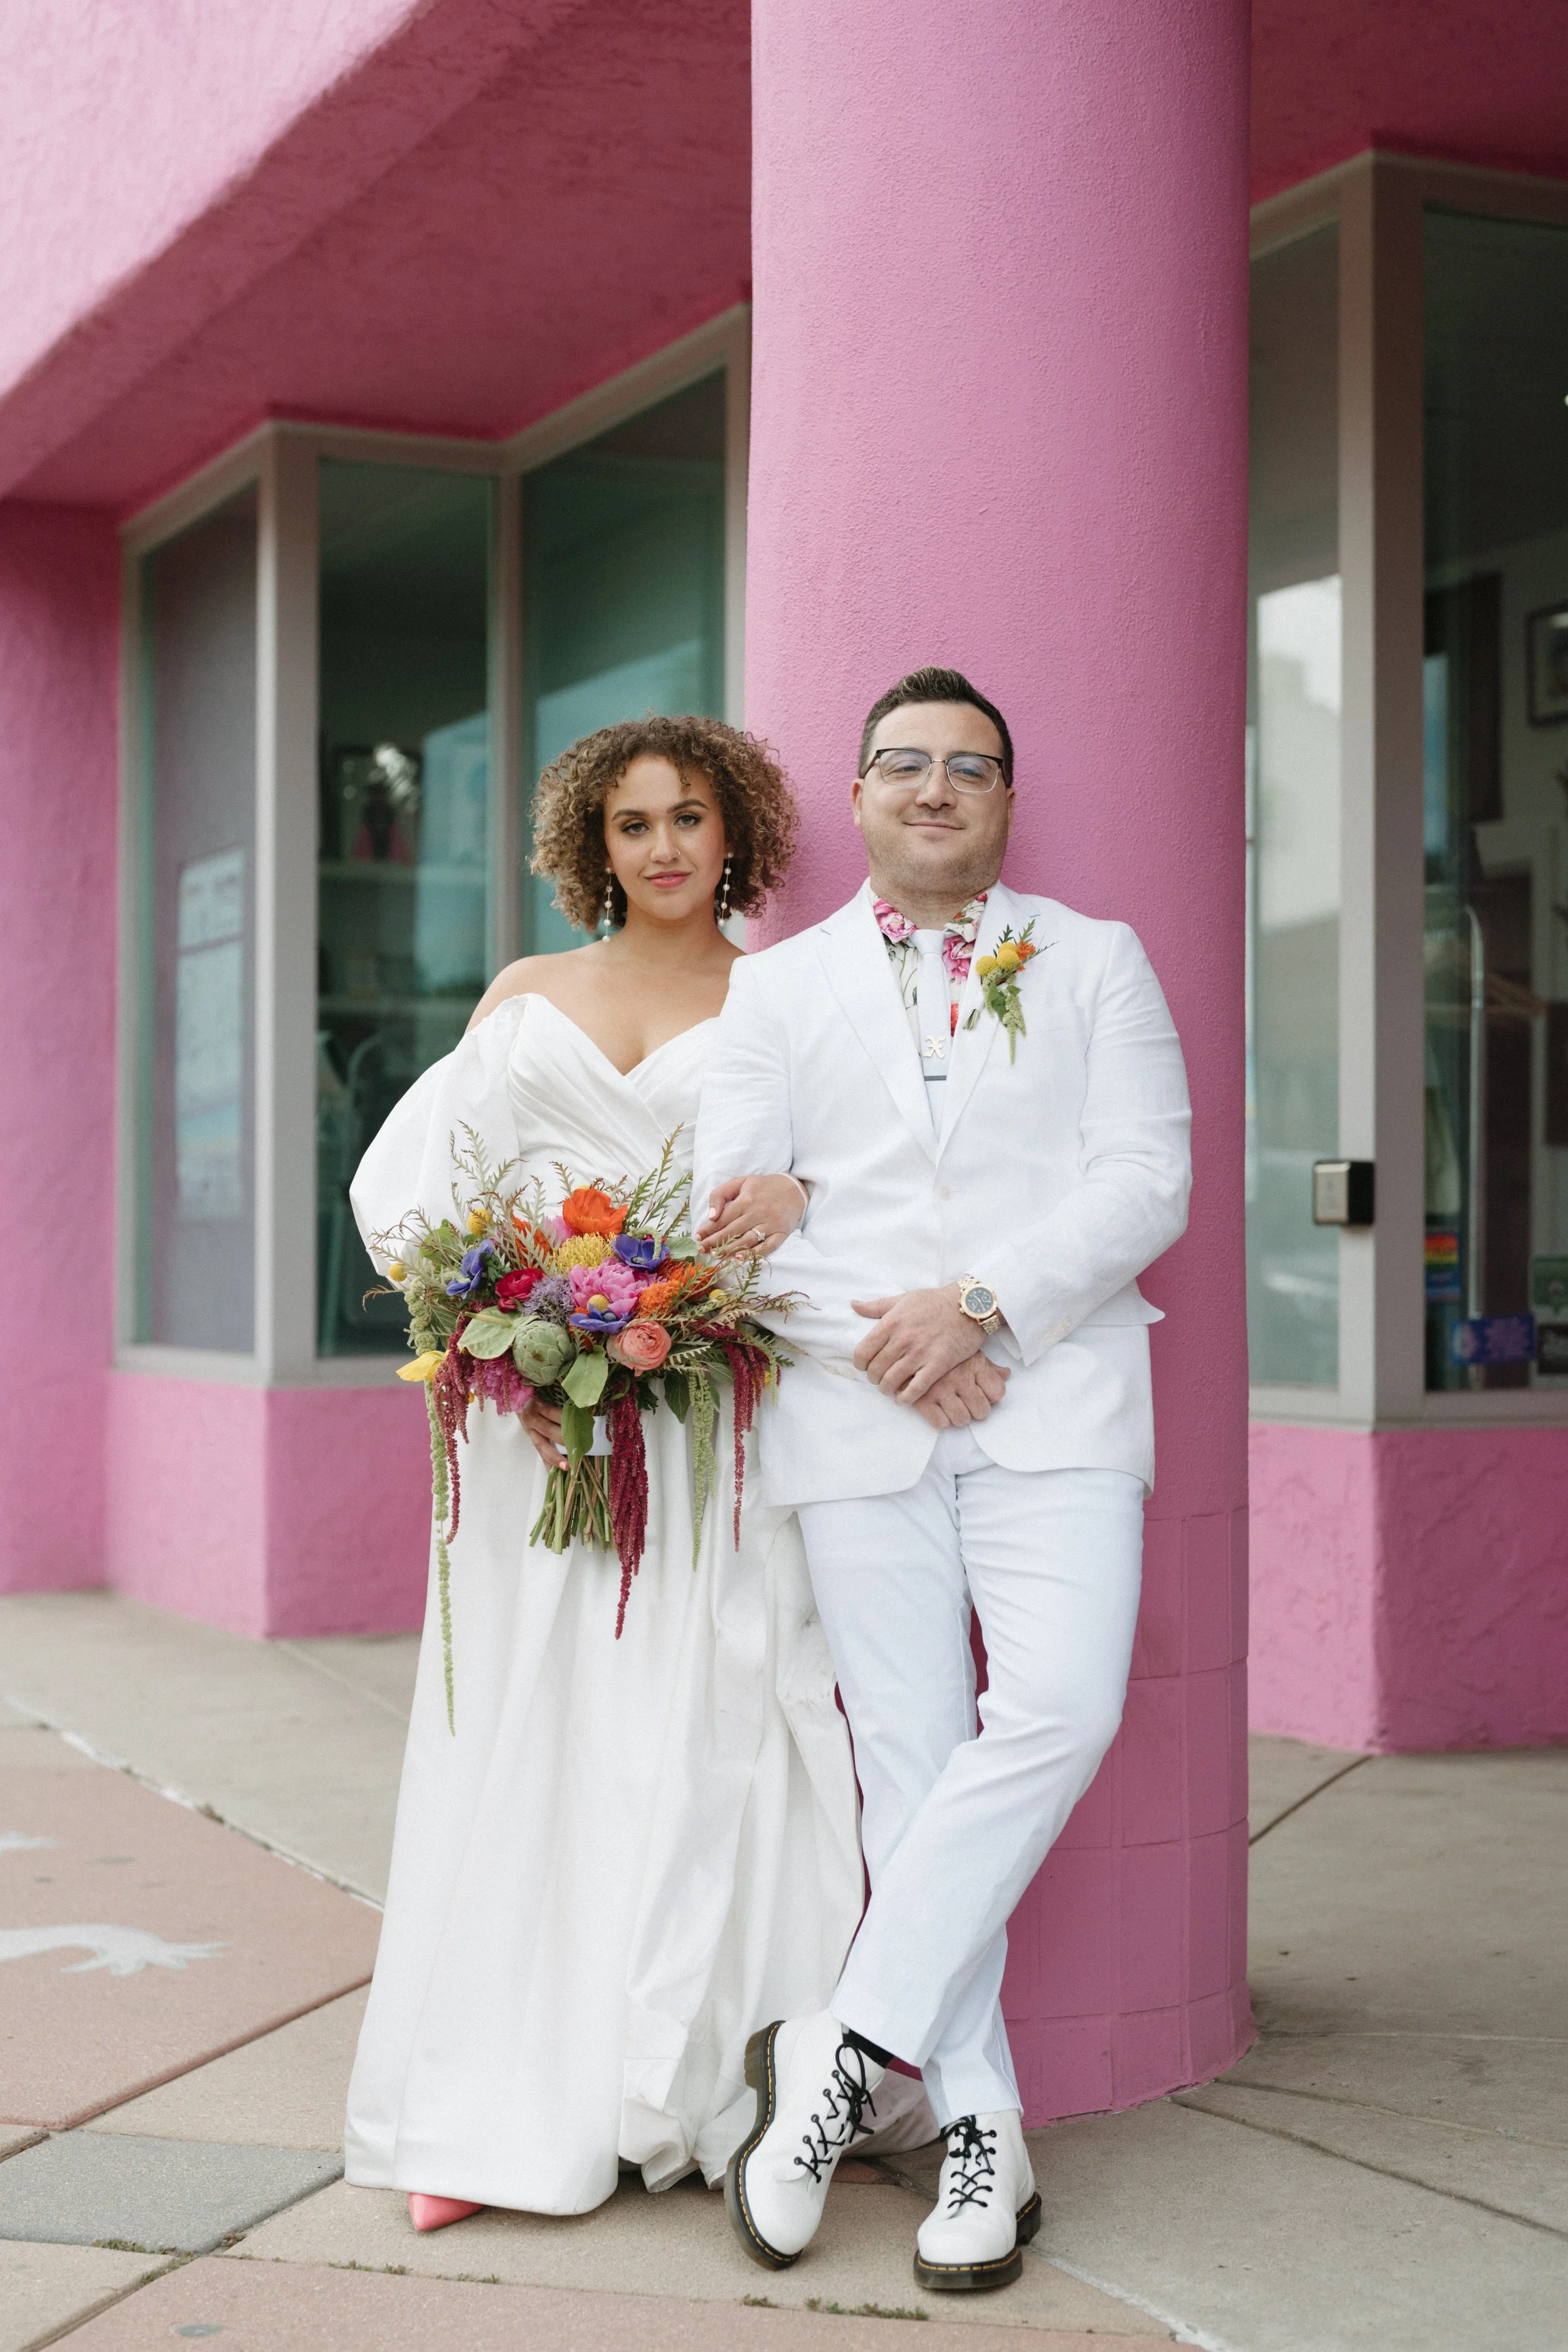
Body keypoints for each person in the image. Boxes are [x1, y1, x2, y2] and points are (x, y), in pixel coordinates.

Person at [342, 714, 923, 2230]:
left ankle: (684, 2082)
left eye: (687, 818)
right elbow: (419, 1198)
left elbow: (865, 1190)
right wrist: (500, 1336)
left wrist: (791, 1199)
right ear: (589, 850)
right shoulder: (528, 995)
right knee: (524, 1736)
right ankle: (487, 2110)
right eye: (630, 825)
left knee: (690, 1728)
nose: (663, 847)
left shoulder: (790, 996)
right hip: (534, 1424)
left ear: (736, 832)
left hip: (706, 1427)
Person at [696, 666, 1192, 2294]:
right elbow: (733, 1230)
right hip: (854, 1422)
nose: (931, 787)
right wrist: (901, 1340)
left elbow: (1145, 1178)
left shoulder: (1097, 961)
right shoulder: (771, 995)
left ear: (1001, 794)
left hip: (1052, 1401)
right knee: (907, 1764)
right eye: (898, 763)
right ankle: (979, 2120)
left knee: (1059, 1703)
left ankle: (838, 2053)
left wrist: (983, 1306)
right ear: (853, 796)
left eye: (964, 765)